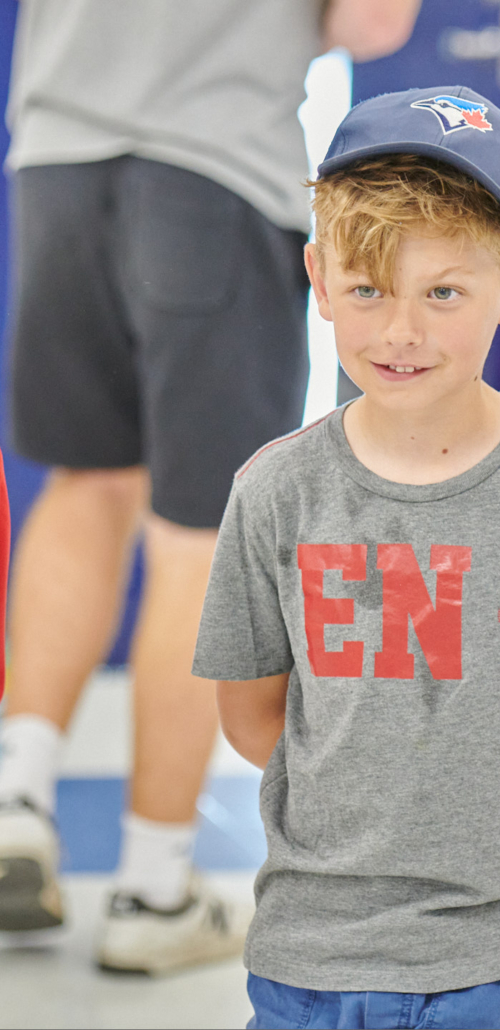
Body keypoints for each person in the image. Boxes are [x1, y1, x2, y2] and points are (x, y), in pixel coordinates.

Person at [193, 86, 500, 1030]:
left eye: (444, 293)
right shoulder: (274, 489)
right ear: (319, 278)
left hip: (495, 958)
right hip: (304, 955)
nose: (401, 332)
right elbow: (254, 715)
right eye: (368, 289)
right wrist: (379, 785)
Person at [0, 0, 422, 974]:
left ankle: (17, 799)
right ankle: (154, 888)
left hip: (57, 156)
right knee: (199, 536)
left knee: (86, 482)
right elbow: (372, 22)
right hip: (213, 163)